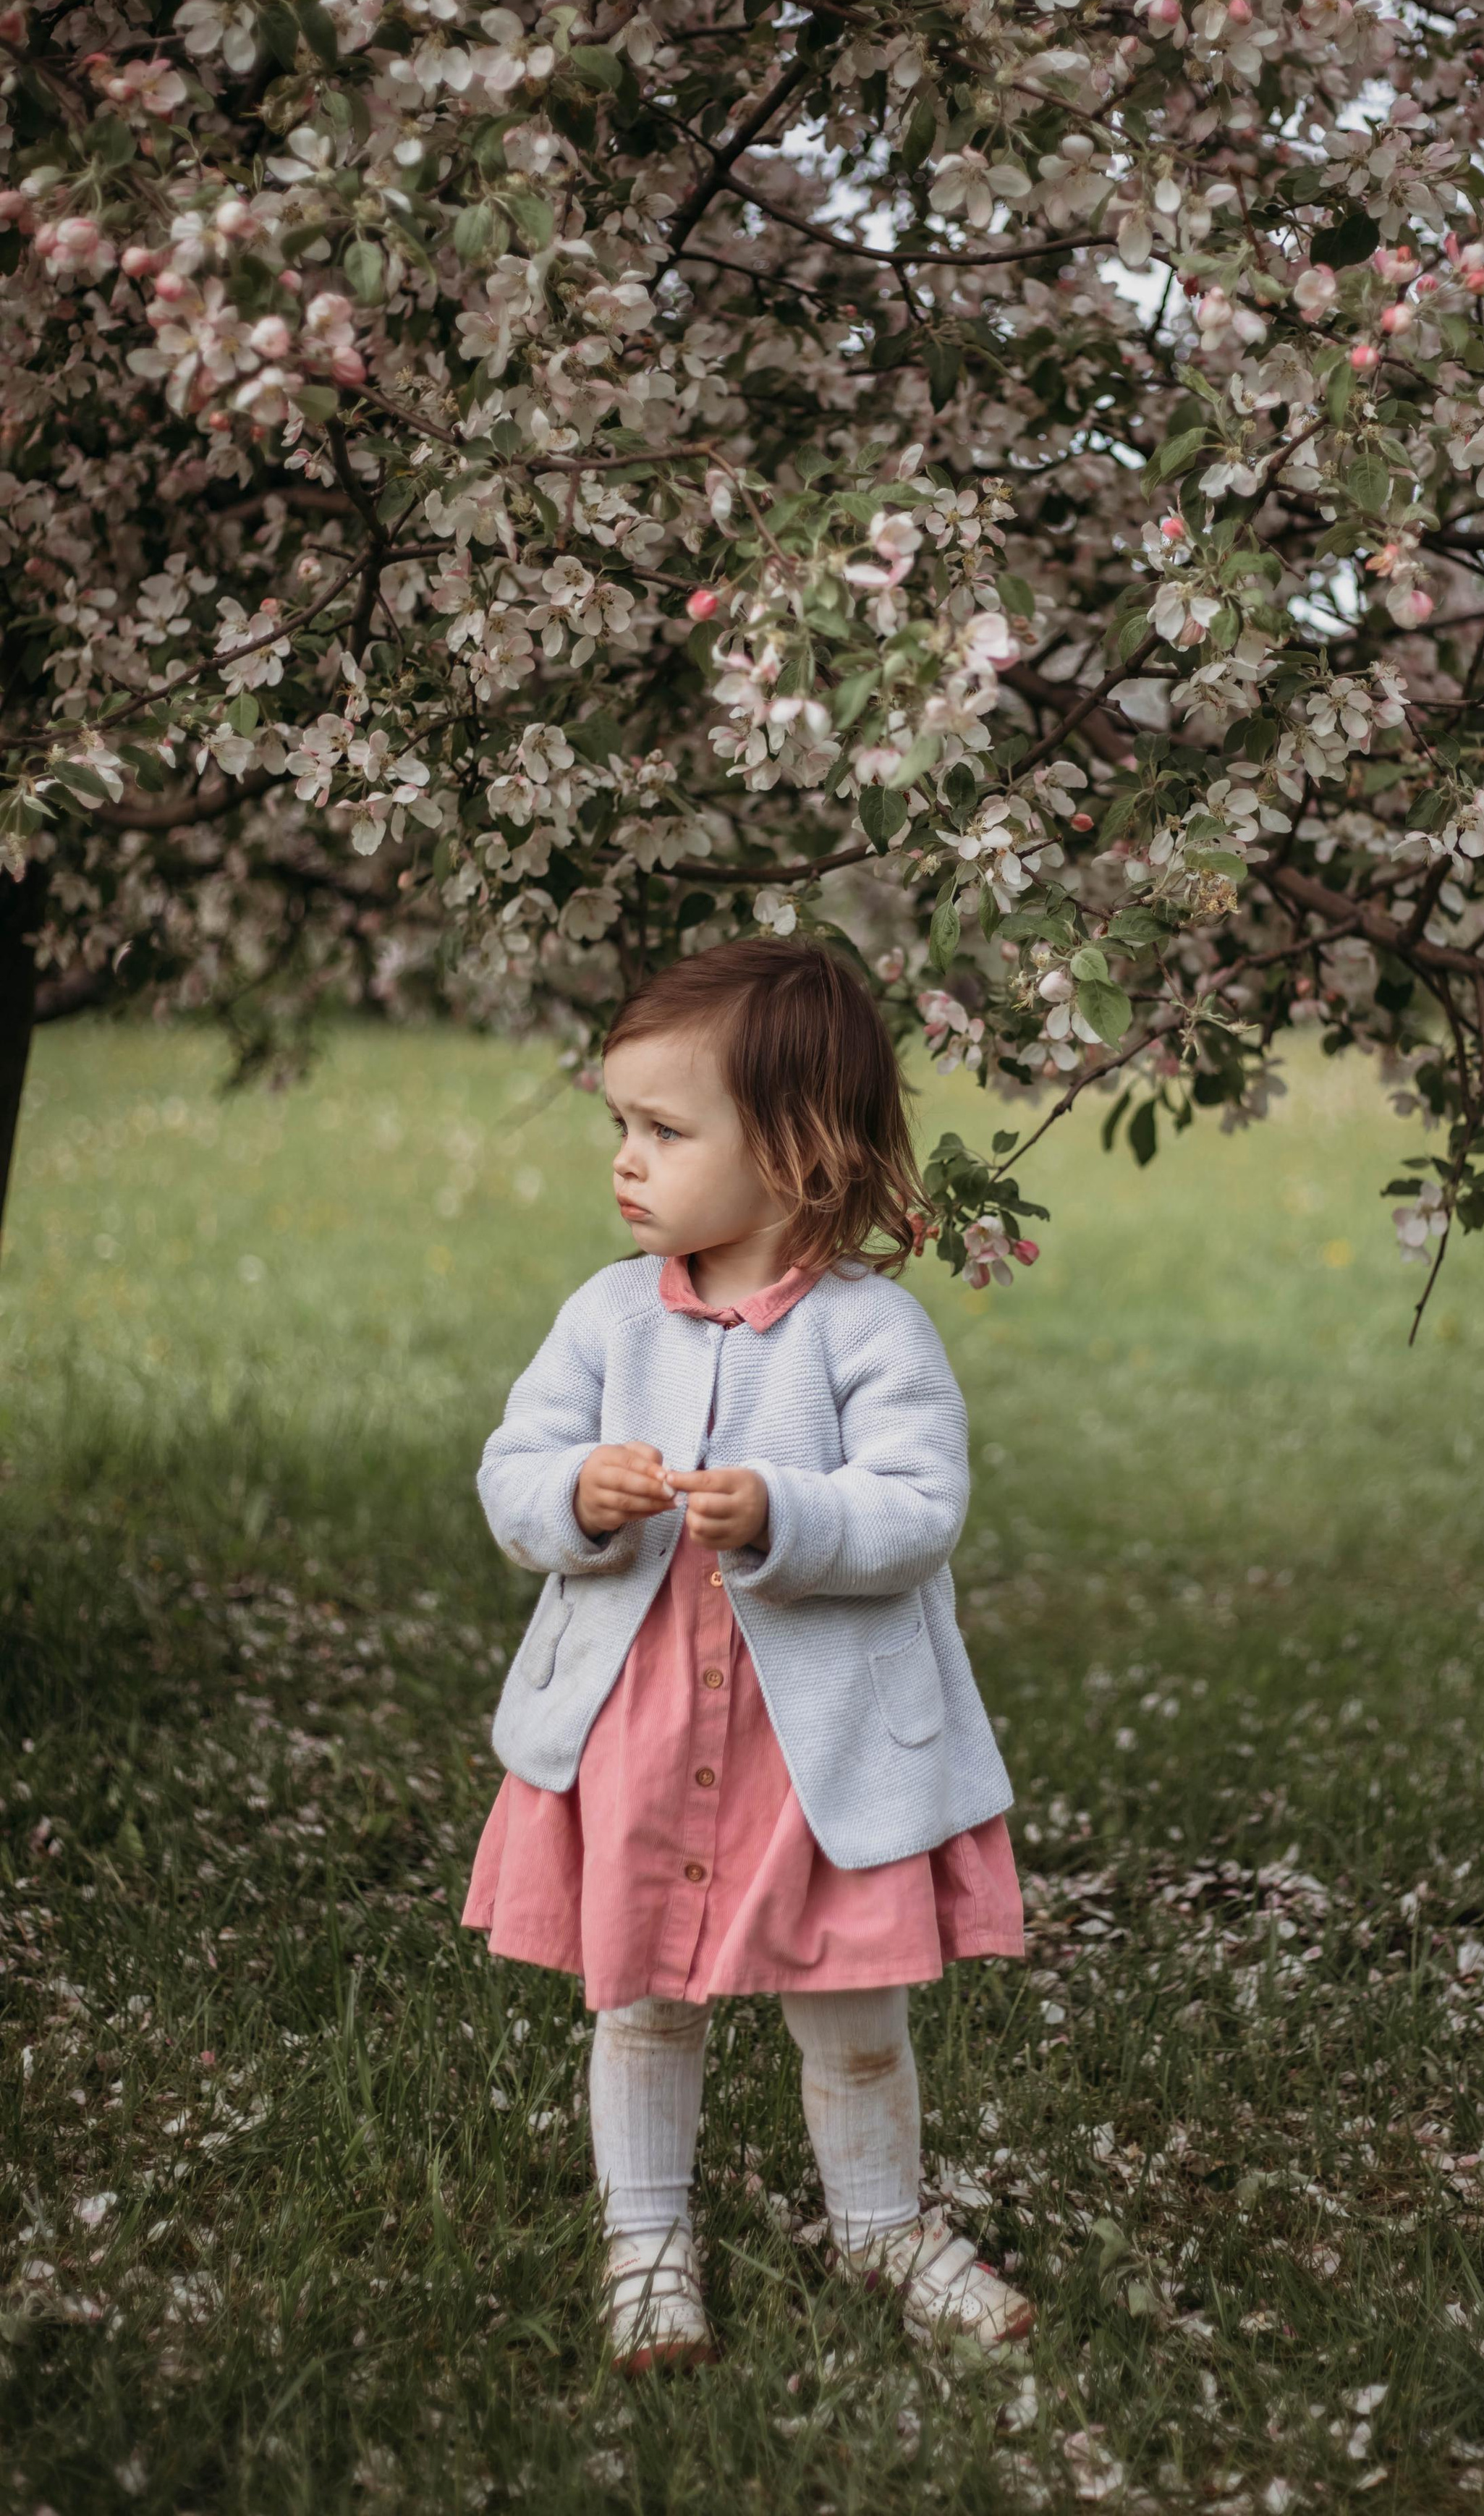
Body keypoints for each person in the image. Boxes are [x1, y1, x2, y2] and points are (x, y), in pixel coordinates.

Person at [462, 936, 1033, 2371]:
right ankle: (646, 2238)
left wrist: (789, 1511)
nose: (626, 1161)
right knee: (642, 1995)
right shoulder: (608, 1316)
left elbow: (918, 1508)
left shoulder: (869, 1331)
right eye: (621, 1125)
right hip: (643, 1723)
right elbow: (513, 1471)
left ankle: (882, 2226)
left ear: (796, 1152)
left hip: (817, 1752)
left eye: (665, 1130)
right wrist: (577, 1493)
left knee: (851, 2006)